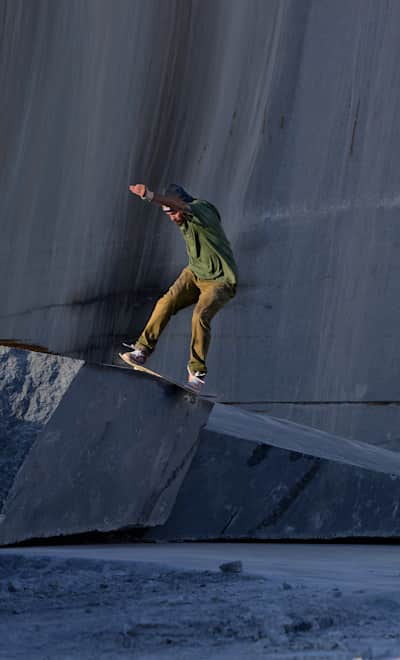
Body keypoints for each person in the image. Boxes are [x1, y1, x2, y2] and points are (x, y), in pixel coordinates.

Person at [121, 183, 238, 391]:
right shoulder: (181, 216)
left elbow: (179, 206)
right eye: (168, 215)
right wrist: (166, 206)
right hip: (194, 273)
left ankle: (197, 374)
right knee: (166, 302)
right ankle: (142, 351)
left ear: (181, 204)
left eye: (173, 212)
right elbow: (175, 207)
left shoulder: (202, 209)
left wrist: (149, 195)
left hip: (221, 280)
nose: (173, 218)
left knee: (200, 316)